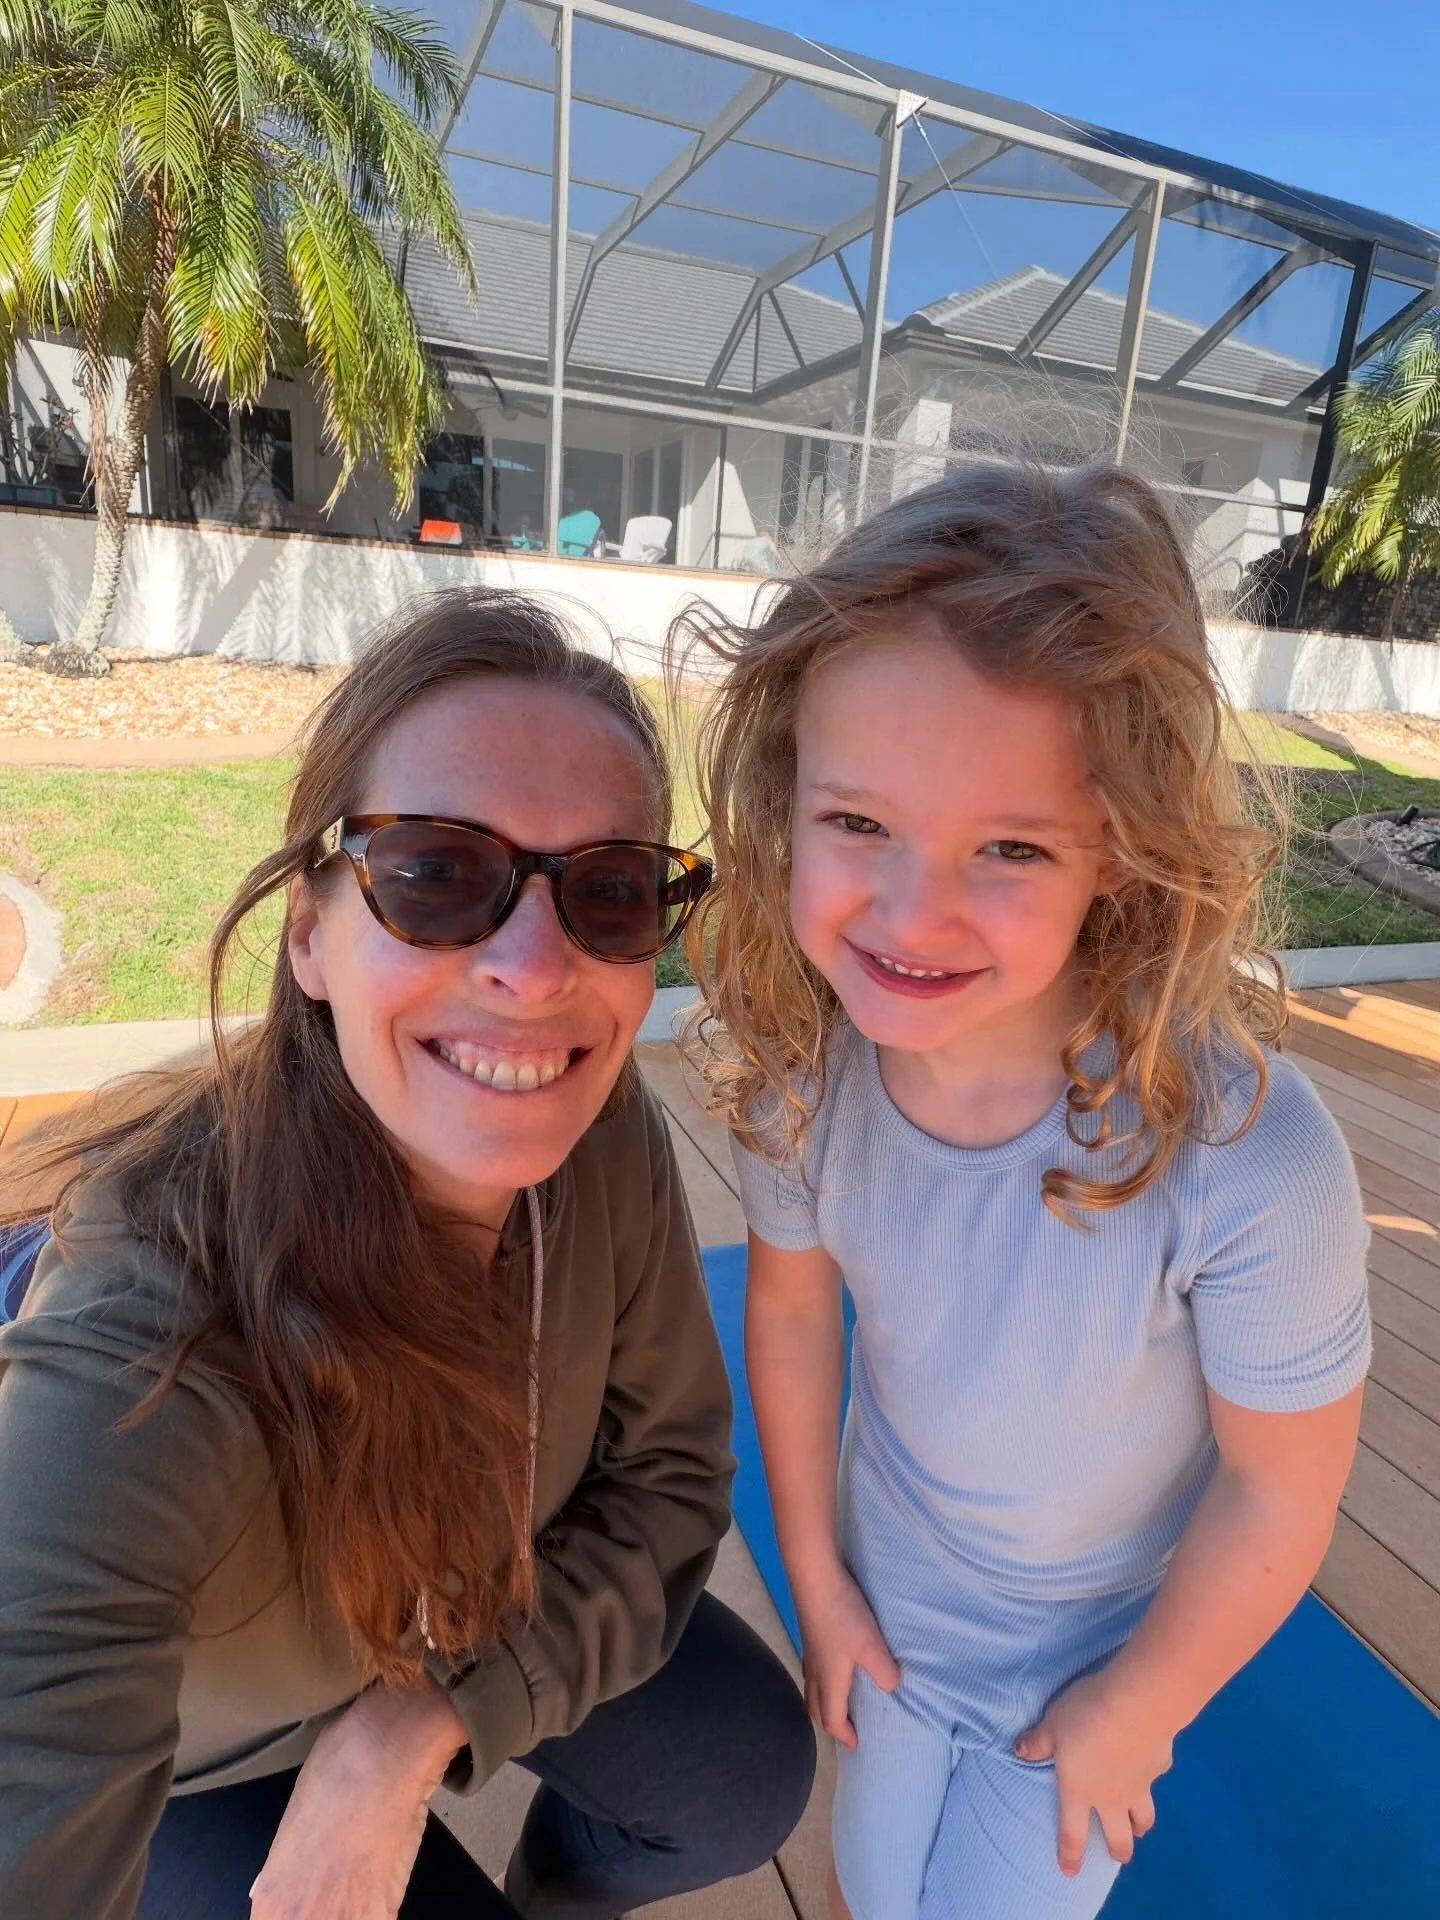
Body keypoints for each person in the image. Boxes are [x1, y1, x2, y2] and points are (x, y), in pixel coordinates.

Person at [0, 589, 815, 1920]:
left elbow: (672, 1481)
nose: (535, 964)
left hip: (474, 1625)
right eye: (436, 875)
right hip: (202, 1767)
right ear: (310, 933)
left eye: (609, 891)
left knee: (745, 1773)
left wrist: (417, 1728)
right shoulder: (150, 1307)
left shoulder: (597, 1132)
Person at [677, 463, 1370, 1919]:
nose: (912, 914)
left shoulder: (1249, 1157)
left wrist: (1144, 1704)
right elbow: (796, 1316)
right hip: (889, 1609)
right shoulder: (805, 1077)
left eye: (1008, 847)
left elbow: (1280, 1485)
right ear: (784, 801)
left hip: (1099, 1660)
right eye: (857, 823)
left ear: (1119, 844)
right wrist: (816, 1573)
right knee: (873, 1885)